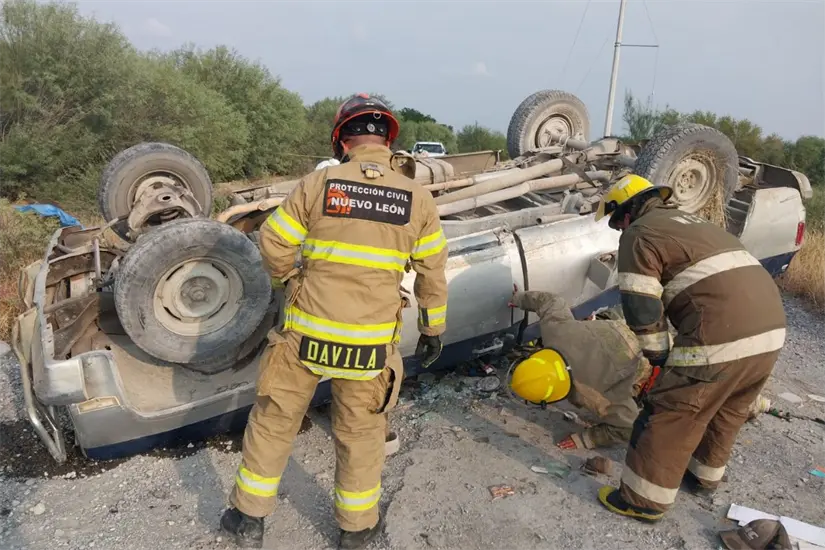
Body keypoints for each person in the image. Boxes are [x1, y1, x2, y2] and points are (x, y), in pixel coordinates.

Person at [219, 93, 449, 549]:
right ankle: (356, 529)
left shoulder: (318, 184)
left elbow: (273, 245)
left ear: (342, 138)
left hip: (305, 334)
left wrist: (290, 281)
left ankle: (248, 519)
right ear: (388, 141)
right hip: (368, 345)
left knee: (274, 421)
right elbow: (432, 271)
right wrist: (432, 329)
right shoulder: (416, 198)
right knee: (361, 432)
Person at [592, 174, 787, 523]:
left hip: (722, 332)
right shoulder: (694, 223)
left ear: (625, 212)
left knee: (671, 410)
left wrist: (660, 361)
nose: (619, 230)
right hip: (771, 328)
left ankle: (642, 500)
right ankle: (703, 476)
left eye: (616, 222)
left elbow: (641, 305)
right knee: (728, 406)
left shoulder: (640, 233)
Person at [507, 289, 654, 450]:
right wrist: (519, 298)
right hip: (633, 330)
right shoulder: (555, 332)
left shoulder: (593, 395)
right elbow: (550, 300)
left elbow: (629, 426)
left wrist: (587, 439)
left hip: (649, 357)